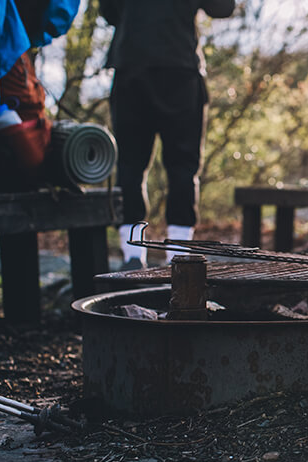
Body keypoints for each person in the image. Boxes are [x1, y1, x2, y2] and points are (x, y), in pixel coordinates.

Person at [100, 0, 235, 269]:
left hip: (131, 63)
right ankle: (179, 258)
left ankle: (132, 257)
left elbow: (109, 12)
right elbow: (222, 8)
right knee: (183, 166)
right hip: (179, 67)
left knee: (129, 164)